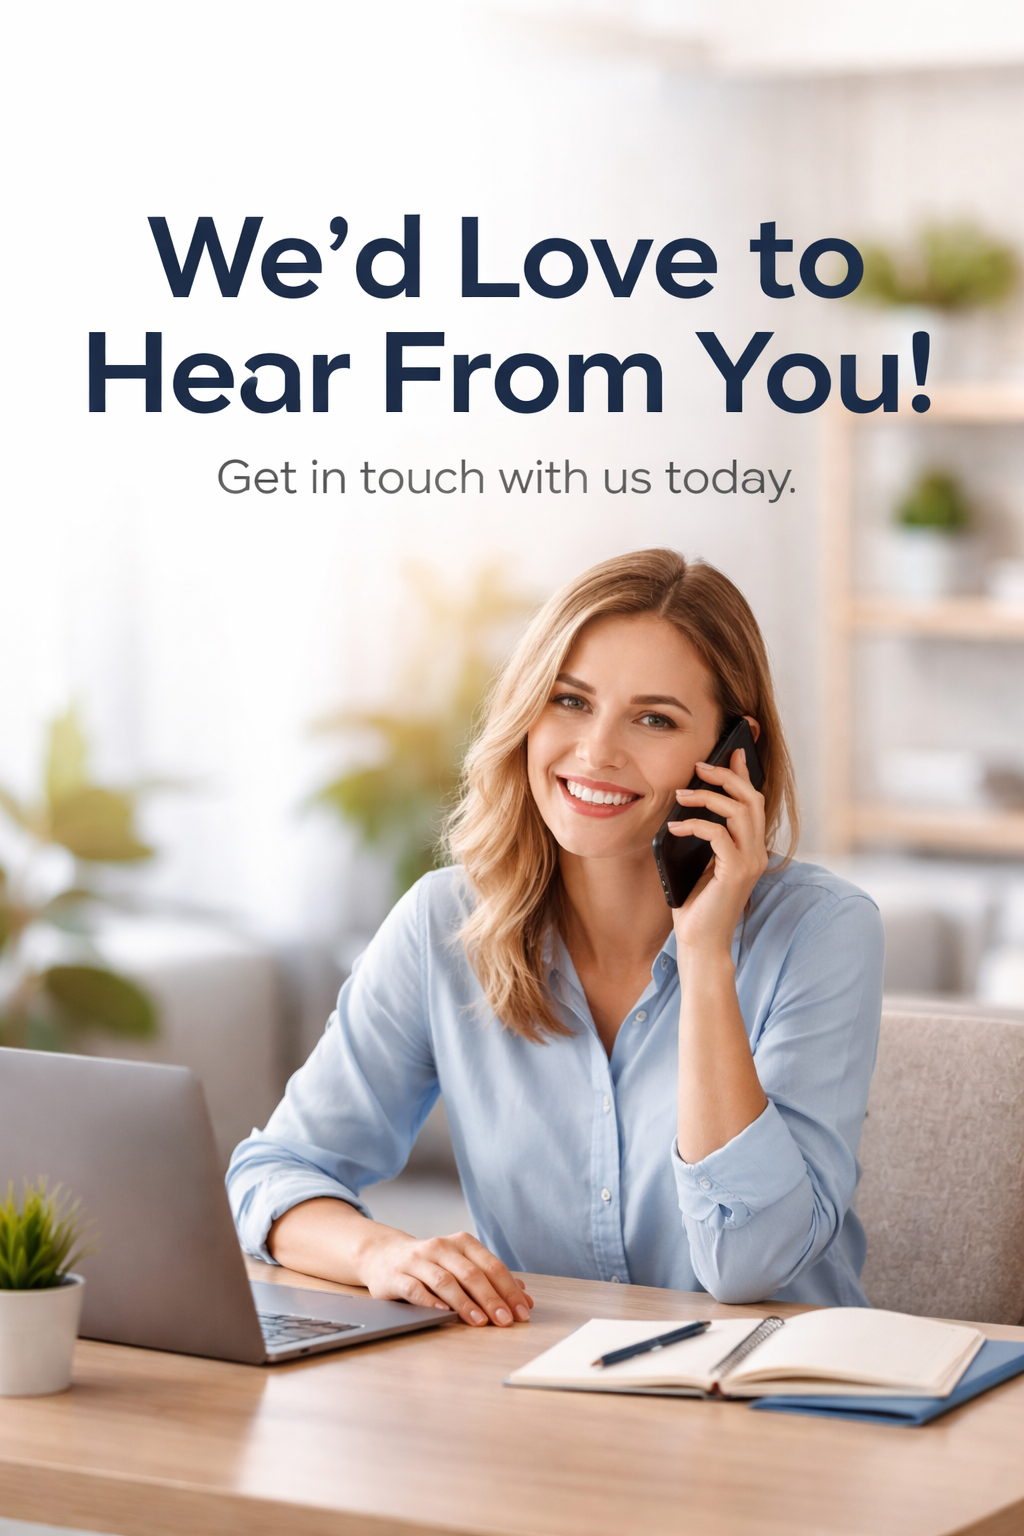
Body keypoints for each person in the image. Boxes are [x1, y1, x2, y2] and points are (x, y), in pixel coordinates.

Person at [228, 549, 883, 1328]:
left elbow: (748, 1266)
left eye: (654, 718)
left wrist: (706, 954)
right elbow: (275, 1173)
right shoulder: (445, 923)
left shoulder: (821, 932)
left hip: (773, 1402)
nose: (597, 751)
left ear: (732, 756)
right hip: (540, 1394)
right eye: (570, 702)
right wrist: (382, 1254)